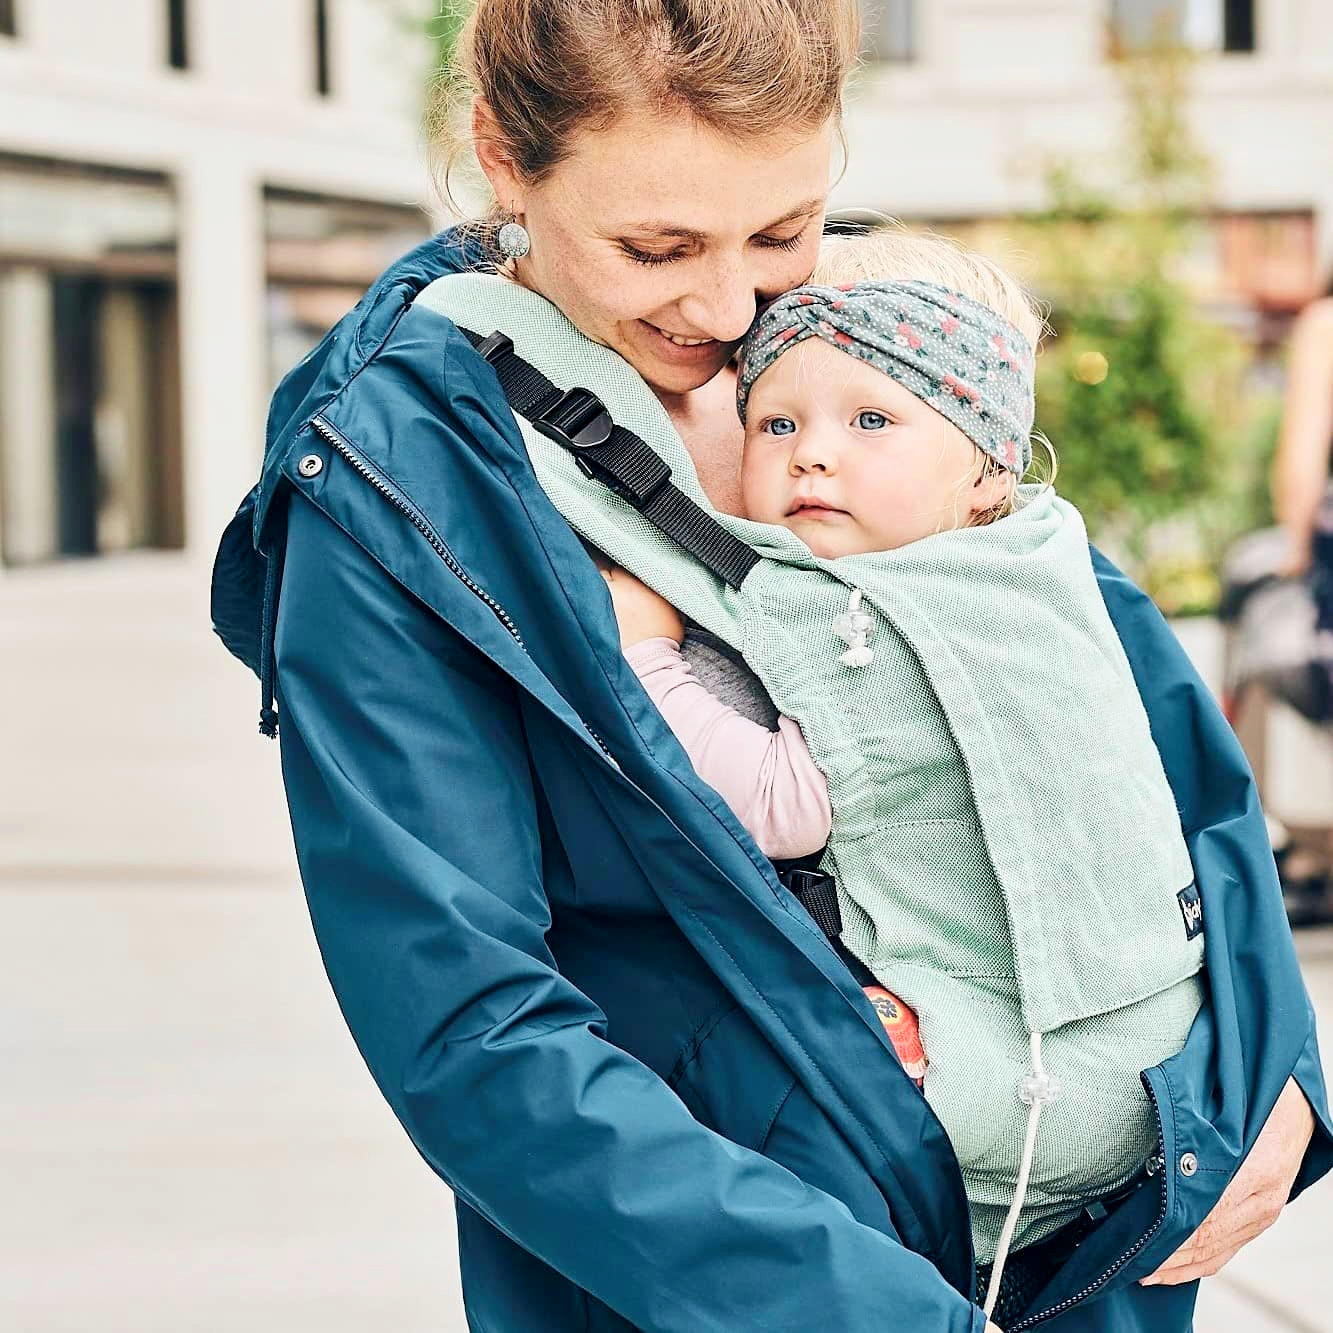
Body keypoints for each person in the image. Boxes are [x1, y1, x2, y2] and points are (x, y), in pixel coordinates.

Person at [208, 2, 1332, 1329]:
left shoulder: (855, 323)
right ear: (502, 157)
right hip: (741, 1283)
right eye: (656, 247)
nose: (734, 303)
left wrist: (1270, 1053)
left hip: (1078, 1256)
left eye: (782, 229)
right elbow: (470, 1031)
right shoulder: (390, 496)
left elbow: (1105, 683)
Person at [599, 229, 1210, 1321]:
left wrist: (646, 657)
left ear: (984, 468)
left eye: (871, 420)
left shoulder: (899, 614)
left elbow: (784, 806)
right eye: (776, 422)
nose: (811, 454)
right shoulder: (1030, 570)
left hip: (1013, 1081)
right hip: (1150, 1082)